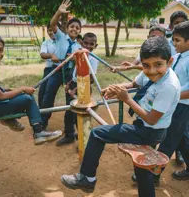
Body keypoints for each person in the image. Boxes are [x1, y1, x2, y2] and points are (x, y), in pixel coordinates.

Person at [60, 36, 181, 197]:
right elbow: (134, 85)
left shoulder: (169, 86)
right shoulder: (154, 73)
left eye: (158, 65)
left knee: (98, 133)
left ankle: (87, 178)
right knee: (142, 166)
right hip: (147, 128)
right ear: (142, 63)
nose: (152, 71)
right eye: (146, 66)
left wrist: (127, 99)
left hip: (149, 131)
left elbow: (152, 119)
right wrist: (114, 88)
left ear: (170, 61)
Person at [132, 21, 189, 185]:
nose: (174, 44)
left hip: (182, 106)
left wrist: (172, 96)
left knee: (169, 139)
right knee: (182, 137)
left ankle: (154, 174)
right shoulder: (177, 57)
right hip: (172, 104)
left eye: (177, 40)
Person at [0, 34, 61, 145]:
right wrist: (22, 88)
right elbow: (1, 96)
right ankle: (38, 131)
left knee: (24, 96)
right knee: (27, 99)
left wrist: (10, 89)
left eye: (1, 50)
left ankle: (11, 120)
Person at [40, 0, 82, 128]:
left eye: (77, 28)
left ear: (80, 31)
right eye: (72, 27)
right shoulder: (61, 37)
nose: (74, 29)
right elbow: (52, 23)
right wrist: (59, 12)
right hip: (56, 70)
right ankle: (42, 123)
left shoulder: (78, 46)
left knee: (70, 98)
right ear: (67, 28)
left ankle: (70, 127)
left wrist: (75, 60)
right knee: (48, 95)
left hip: (69, 74)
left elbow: (79, 62)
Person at [56, 32, 99, 146]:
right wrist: (69, 84)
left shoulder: (93, 59)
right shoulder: (79, 56)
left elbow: (91, 79)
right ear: (81, 43)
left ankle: (83, 140)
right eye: (86, 43)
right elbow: (75, 74)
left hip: (84, 88)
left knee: (80, 114)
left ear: (96, 45)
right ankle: (69, 135)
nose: (88, 46)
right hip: (74, 85)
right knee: (69, 112)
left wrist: (78, 89)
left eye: (92, 44)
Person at [38, 22, 59, 108]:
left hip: (61, 69)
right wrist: (51, 55)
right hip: (49, 69)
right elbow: (43, 54)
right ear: (47, 31)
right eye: (49, 30)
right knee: (42, 91)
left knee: (49, 91)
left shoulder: (62, 42)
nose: (52, 32)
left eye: (53, 30)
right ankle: (42, 111)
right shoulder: (46, 43)